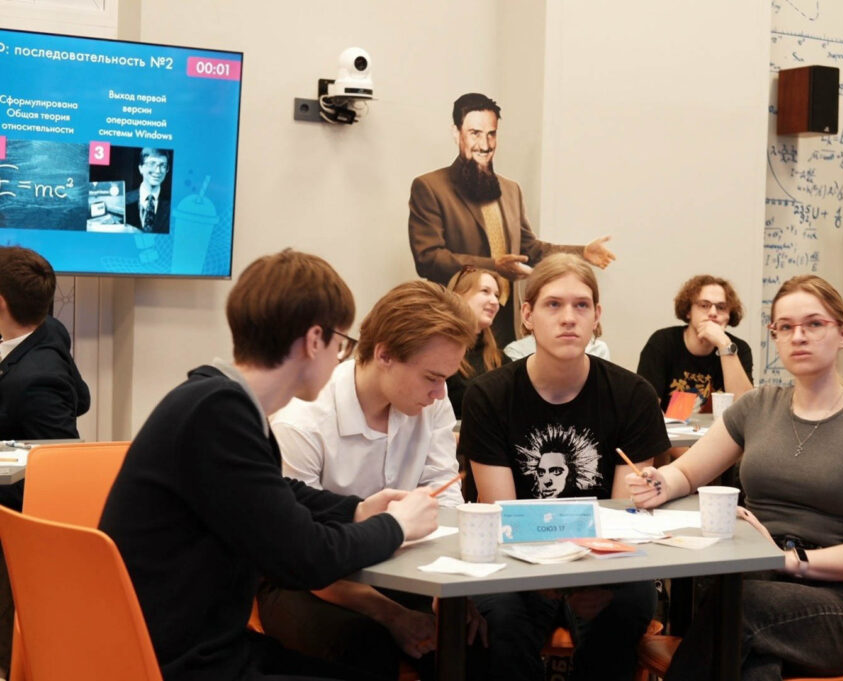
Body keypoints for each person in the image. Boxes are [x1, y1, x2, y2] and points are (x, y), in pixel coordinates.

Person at [99, 249, 440, 681]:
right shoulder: (219, 413)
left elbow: (275, 494)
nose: (340, 358)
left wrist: (355, 510)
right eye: (340, 344)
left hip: (192, 642)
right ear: (314, 340)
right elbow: (306, 557)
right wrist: (397, 526)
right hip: (182, 661)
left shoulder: (215, 400)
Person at [627, 274, 843, 681]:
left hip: (831, 607)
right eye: (786, 327)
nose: (799, 336)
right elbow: (687, 471)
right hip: (753, 584)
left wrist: (786, 560)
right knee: (752, 663)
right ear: (774, 336)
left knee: (738, 606)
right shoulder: (758, 407)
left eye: (814, 324)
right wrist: (659, 482)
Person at [261, 280, 486, 681]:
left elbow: (446, 498)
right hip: (307, 580)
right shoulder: (302, 422)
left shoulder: (431, 401)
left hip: (403, 568)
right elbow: (301, 555)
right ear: (384, 354)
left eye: (446, 379)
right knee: (363, 645)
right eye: (431, 377)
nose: (440, 394)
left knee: (473, 637)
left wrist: (450, 591)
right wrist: (392, 615)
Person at [459, 254, 668, 681]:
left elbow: (621, 516)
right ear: (527, 315)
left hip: (600, 562)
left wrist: (589, 580)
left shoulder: (634, 395)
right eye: (553, 304)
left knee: (631, 602)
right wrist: (552, 581)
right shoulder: (488, 396)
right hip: (517, 565)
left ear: (597, 317)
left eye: (581, 305)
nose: (569, 318)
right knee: (498, 619)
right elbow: (502, 514)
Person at [408, 92, 616, 346]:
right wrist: (495, 266)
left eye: (491, 134)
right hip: (456, 323)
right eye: (475, 133)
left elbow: (531, 250)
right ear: (456, 133)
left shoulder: (510, 190)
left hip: (507, 326)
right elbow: (428, 259)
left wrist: (582, 252)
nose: (485, 144)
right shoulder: (430, 187)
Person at [0, 245, 91, 678]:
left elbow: (59, 466)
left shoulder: (35, 381)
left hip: (16, 522)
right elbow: (82, 398)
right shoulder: (50, 329)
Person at [637, 274, 753, 414]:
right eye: (704, 305)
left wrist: (724, 345)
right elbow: (645, 409)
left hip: (721, 427)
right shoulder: (662, 342)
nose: (713, 313)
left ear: (729, 316)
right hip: (668, 427)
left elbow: (747, 410)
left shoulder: (738, 348)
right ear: (688, 311)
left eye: (721, 307)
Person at [444, 266, 509, 418]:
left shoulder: (501, 360)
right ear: (458, 295)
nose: (495, 301)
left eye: (497, 295)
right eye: (485, 291)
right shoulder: (436, 354)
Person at [125, 147, 171, 233]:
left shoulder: (172, 204)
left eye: (163, 165)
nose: (158, 171)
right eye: (152, 164)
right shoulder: (123, 200)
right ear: (141, 168)